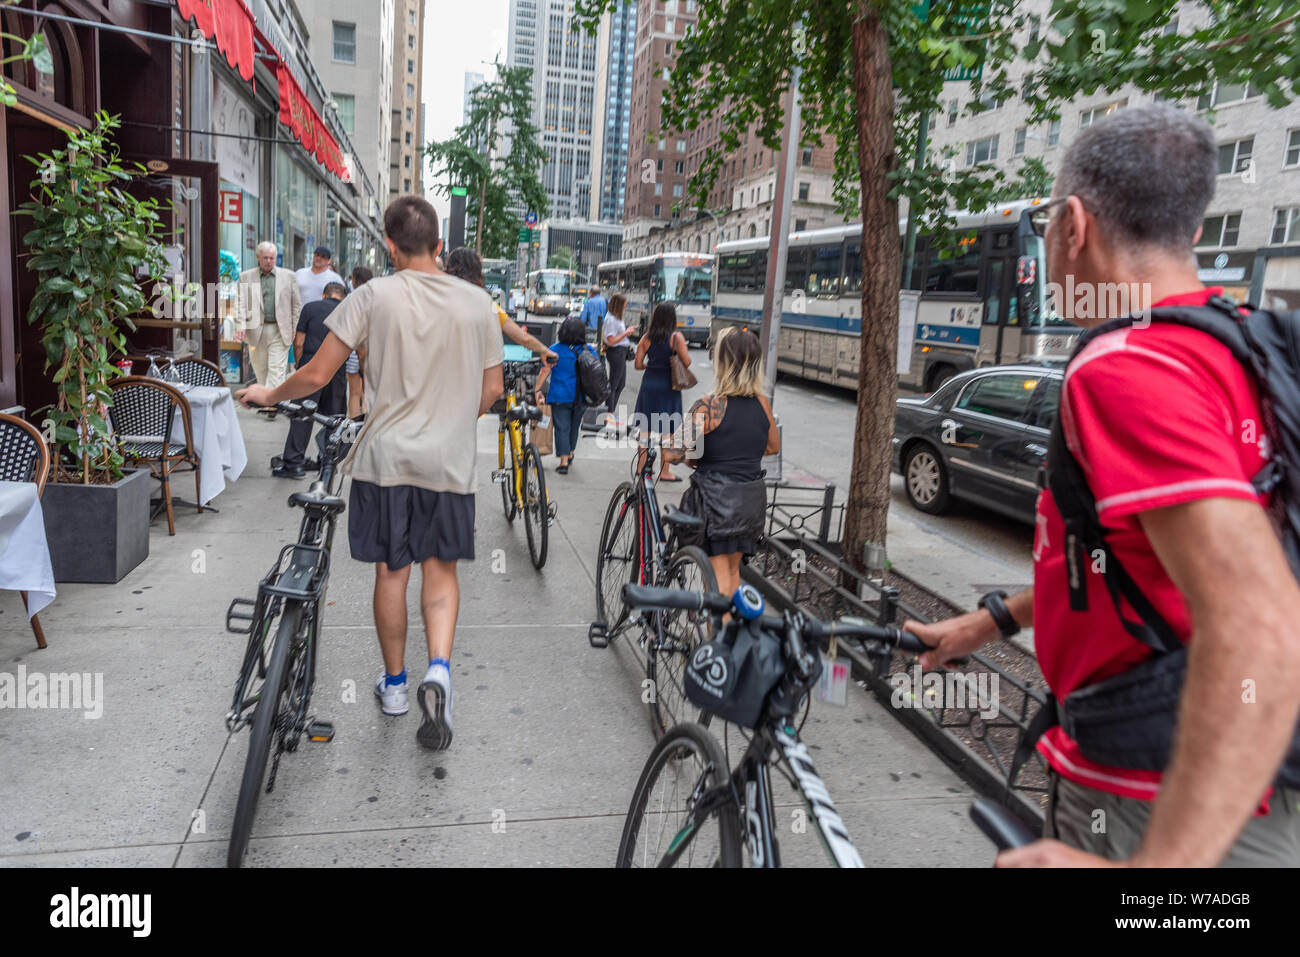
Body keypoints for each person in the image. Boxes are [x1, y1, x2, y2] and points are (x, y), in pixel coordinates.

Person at [909, 104, 1300, 867]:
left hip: (1160, 798)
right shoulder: (1239, 348)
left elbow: (1263, 628)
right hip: (1239, 790)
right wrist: (992, 621)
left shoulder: (1124, 368)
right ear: (1190, 230)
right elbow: (1131, 559)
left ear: (1072, 226)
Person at [236, 196, 504, 753]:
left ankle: (397, 688)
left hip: (385, 461)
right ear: (437, 245)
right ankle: (439, 671)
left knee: (391, 572)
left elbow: (316, 373)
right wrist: (453, 421)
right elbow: (493, 391)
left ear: (388, 244)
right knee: (441, 572)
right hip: (448, 464)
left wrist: (268, 391)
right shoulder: (479, 304)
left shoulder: (371, 296)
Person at [663, 327, 779, 597]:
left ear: (723, 363)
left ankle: (720, 637)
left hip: (716, 504)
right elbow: (773, 446)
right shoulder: (762, 403)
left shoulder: (709, 406)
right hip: (750, 502)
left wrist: (675, 446)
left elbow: (673, 454)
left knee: (717, 586)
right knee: (732, 573)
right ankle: (728, 635)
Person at [273, 282, 348, 478]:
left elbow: (298, 342)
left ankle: (294, 463)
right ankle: (327, 463)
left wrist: (300, 366)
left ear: (324, 295)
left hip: (310, 363)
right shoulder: (348, 310)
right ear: (343, 297)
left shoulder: (311, 307)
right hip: (337, 367)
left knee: (301, 415)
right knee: (334, 418)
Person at [444, 247, 557, 363]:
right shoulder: (485, 305)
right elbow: (523, 338)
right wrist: (544, 350)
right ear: (477, 272)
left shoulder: (438, 297)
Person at [633, 302, 692, 481]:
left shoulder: (646, 338)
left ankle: (641, 467)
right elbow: (687, 362)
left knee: (645, 428)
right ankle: (664, 472)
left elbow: (637, 365)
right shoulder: (676, 337)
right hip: (669, 386)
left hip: (649, 384)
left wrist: (651, 365)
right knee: (668, 429)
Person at [234, 241, 301, 390]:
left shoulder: (289, 276)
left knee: (276, 369)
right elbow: (240, 304)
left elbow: (296, 306)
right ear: (258, 257)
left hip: (280, 330)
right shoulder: (245, 277)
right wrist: (240, 326)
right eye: (265, 258)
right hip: (256, 330)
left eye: (272, 258)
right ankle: (268, 399)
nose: (268, 261)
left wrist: (294, 328)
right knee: (261, 371)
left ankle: (272, 405)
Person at [534, 316, 594, 474]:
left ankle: (564, 461)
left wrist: (537, 389)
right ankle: (570, 452)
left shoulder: (554, 349)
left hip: (560, 396)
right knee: (575, 426)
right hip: (582, 396)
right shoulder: (588, 350)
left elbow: (545, 370)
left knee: (562, 427)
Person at [601, 293, 636, 422]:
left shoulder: (616, 317)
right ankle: (608, 412)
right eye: (624, 305)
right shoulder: (611, 319)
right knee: (615, 382)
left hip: (621, 351)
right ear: (618, 305)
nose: (625, 307)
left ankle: (610, 411)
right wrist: (626, 333)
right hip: (616, 352)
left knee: (620, 383)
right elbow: (611, 340)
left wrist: (626, 332)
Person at [345, 266, 373, 419]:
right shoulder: (376, 298)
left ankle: (353, 428)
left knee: (354, 393)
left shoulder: (351, 299)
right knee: (369, 393)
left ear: (354, 280)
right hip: (372, 350)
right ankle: (366, 426)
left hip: (353, 349)